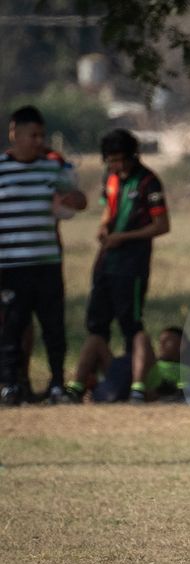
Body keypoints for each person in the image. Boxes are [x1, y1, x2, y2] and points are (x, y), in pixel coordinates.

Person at [64, 129, 170, 404]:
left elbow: (162, 225)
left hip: (132, 265)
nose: (117, 166)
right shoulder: (110, 178)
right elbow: (108, 210)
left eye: (121, 160)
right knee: (97, 326)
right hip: (105, 262)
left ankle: (137, 385)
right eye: (111, 160)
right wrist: (103, 228)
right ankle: (76, 385)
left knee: (131, 324)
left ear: (133, 156)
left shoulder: (148, 182)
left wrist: (123, 237)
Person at [0, 106, 87, 404]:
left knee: (53, 328)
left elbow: (78, 201)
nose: (38, 141)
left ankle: (57, 384)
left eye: (41, 135)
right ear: (15, 134)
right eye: (32, 135)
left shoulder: (52, 169)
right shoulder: (1, 169)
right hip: (11, 266)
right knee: (12, 328)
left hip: (47, 263)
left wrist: (75, 199)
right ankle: (11, 384)